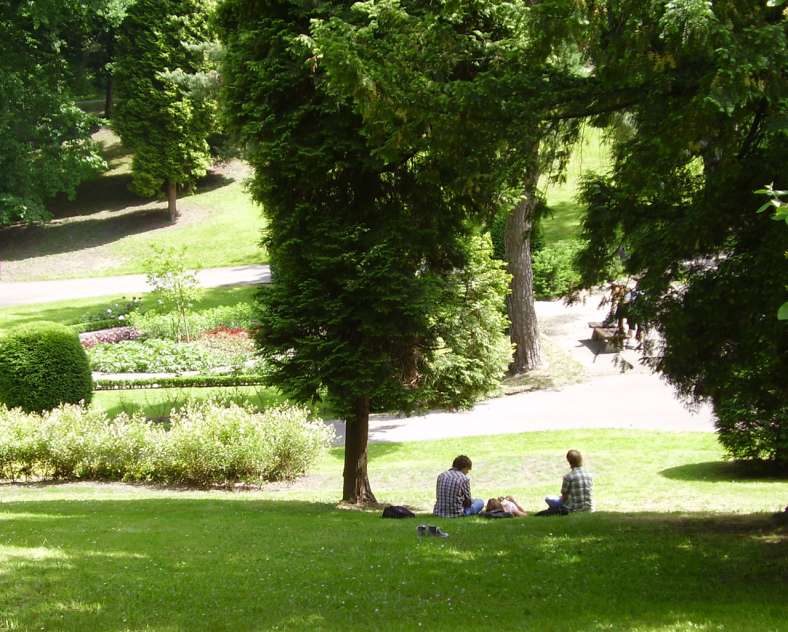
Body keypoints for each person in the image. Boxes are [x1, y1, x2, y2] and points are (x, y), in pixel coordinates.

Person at [540, 449, 593, 515]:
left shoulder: (568, 477)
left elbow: (564, 498)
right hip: (589, 508)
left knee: (548, 498)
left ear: (569, 461)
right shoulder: (589, 475)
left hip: (573, 509)